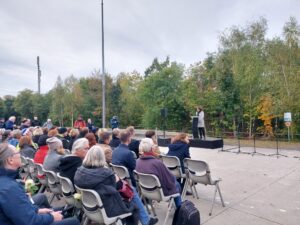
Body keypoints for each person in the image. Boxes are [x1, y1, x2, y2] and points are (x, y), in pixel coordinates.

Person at [74, 145, 158, 225]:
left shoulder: (79, 172)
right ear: (102, 158)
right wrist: (115, 176)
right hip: (107, 209)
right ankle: (146, 221)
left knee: (131, 191)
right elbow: (120, 188)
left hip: (90, 208)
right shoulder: (106, 174)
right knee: (132, 193)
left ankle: (146, 220)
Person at [0, 143, 80, 225]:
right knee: (74, 222)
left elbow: (18, 210)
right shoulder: (9, 187)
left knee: (53, 210)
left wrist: (37, 210)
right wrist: (52, 217)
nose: (20, 155)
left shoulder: (6, 181)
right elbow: (29, 222)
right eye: (18, 153)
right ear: (10, 160)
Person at [136, 138, 182, 208]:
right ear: (152, 148)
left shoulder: (137, 161)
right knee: (176, 184)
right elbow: (169, 181)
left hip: (145, 190)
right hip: (159, 193)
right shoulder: (157, 163)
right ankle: (179, 209)